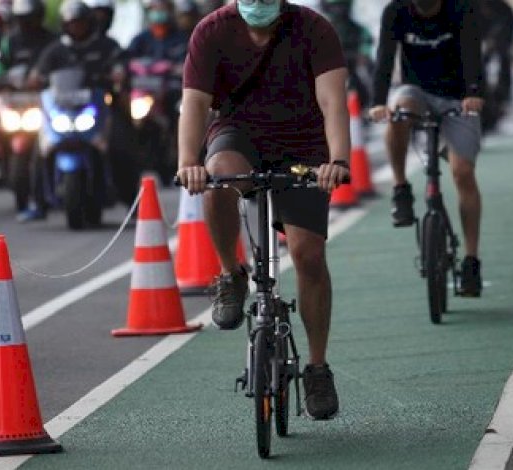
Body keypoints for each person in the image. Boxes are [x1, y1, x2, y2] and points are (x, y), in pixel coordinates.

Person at [176, 0, 351, 420]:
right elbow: (195, 104)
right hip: (239, 135)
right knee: (218, 178)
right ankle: (230, 274)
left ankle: (317, 366)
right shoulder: (211, 31)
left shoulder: (314, 28)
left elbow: (332, 102)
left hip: (303, 142)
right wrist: (188, 162)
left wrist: (339, 160)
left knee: (309, 255)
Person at [369, 0, 485, 297]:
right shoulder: (395, 12)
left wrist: (474, 94)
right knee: (399, 112)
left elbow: (474, 54)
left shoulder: (461, 9)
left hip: (457, 99)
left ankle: (471, 259)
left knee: (463, 173)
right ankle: (400, 187)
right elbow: (385, 56)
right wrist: (378, 102)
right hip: (416, 92)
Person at [26, 0, 126, 220]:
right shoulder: (55, 50)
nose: (76, 28)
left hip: (98, 111)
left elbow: (121, 67)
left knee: (121, 143)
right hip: (64, 113)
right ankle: (37, 201)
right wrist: (34, 79)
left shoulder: (106, 46)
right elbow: (38, 74)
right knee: (38, 150)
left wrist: (117, 75)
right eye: (71, 24)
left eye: (80, 23)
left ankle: (131, 198)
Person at [319, 0, 373, 111]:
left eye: (341, 6)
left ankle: (369, 107)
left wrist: (363, 54)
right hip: (330, 69)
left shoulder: (357, 29)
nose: (339, 10)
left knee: (365, 75)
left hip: (353, 67)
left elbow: (366, 42)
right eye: (335, 6)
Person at [0, 0, 58, 81]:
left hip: (46, 89)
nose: (26, 24)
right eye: (22, 19)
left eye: (30, 19)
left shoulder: (53, 41)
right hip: (16, 91)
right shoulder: (9, 41)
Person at [480, 0, 513, 104]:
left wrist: (497, 41)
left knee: (504, 60)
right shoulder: (475, 7)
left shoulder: (505, 9)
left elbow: (508, 31)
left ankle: (504, 95)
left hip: (500, 44)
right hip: (483, 45)